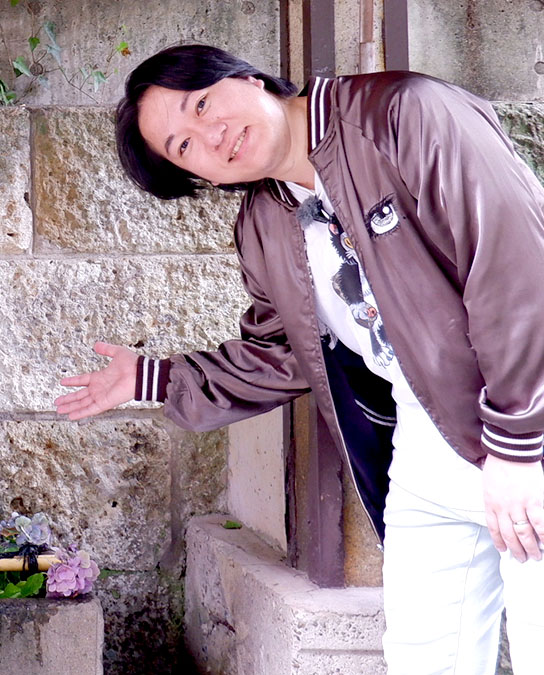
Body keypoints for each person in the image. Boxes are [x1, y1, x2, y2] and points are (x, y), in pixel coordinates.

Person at [55, 44, 544, 674]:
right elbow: (286, 352)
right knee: (426, 658)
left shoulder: (404, 115)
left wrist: (519, 445)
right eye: (183, 148)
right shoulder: (264, 222)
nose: (210, 135)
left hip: (525, 424)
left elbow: (519, 272)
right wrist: (155, 378)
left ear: (245, 77)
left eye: (201, 103)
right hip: (428, 439)